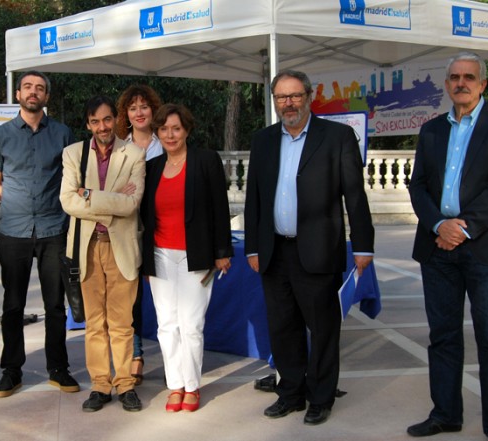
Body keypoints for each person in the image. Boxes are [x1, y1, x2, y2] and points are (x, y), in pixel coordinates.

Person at [244, 70, 374, 426]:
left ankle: (321, 396)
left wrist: (363, 246)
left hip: (318, 251)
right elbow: (254, 198)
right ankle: (290, 393)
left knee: (323, 328)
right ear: (274, 102)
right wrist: (252, 247)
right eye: (281, 97)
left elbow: (355, 197)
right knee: (283, 328)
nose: (288, 103)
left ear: (309, 96)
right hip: (274, 252)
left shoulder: (337, 137)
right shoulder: (264, 140)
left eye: (294, 96)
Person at [407, 52, 488, 441]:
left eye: (469, 77)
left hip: (486, 249)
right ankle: (445, 414)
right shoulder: (431, 130)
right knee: (442, 335)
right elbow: (418, 185)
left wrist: (463, 228)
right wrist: (440, 224)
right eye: (454, 77)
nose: (461, 83)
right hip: (437, 247)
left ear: (483, 84)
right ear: (447, 84)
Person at [0, 70, 79, 398]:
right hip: (14, 231)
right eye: (28, 87)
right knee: (13, 305)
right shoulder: (1, 135)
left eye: (40, 88)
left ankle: (59, 369)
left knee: (55, 304)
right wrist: (14, 202)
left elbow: (74, 179)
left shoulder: (64, 134)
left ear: (46, 96)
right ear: (19, 94)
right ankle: (12, 371)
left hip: (54, 230)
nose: (33, 92)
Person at [141, 103, 233, 413]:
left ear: (187, 130)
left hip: (197, 257)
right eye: (164, 129)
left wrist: (222, 253)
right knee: (166, 325)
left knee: (191, 325)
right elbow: (143, 216)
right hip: (159, 256)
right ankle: (175, 385)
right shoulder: (152, 167)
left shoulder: (206, 161)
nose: (170, 134)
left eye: (176, 128)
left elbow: (220, 208)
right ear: (157, 132)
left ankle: (192, 386)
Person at [59, 95, 145, 412]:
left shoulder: (134, 154)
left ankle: (125, 385)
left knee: (122, 323)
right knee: (95, 323)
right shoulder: (74, 154)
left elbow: (132, 203)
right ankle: (100, 385)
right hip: (86, 248)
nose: (102, 127)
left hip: (121, 248)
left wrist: (90, 197)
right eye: (95, 121)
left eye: (107, 119)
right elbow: (68, 201)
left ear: (116, 120)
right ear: (88, 124)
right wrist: (110, 201)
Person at [116, 84, 164, 385]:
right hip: (129, 229)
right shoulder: (119, 148)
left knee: (164, 295)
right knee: (130, 298)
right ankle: (135, 354)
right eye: (132, 108)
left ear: (153, 109)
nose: (139, 112)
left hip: (162, 228)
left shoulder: (168, 140)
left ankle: (175, 355)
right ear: (126, 114)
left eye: (143, 106)